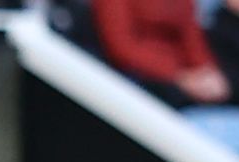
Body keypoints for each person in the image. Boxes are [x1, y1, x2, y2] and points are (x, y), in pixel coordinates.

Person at [95, 0, 231, 107]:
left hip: (183, 78)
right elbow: (122, 48)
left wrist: (207, 70)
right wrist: (179, 76)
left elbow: (191, 37)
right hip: (138, 77)